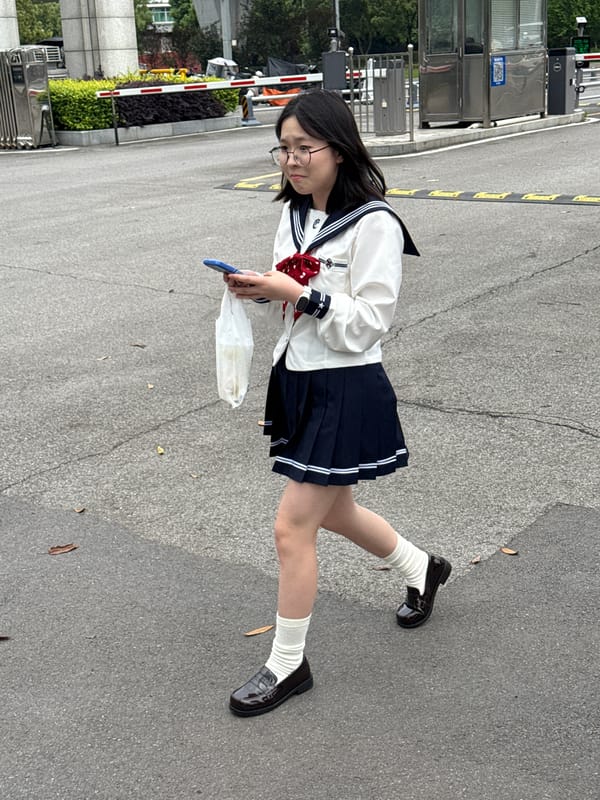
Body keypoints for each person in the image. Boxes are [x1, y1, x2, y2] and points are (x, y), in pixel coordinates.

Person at [225, 90, 451, 717]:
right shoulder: (295, 214)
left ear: (340, 149)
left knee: (292, 526)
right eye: (283, 148)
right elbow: (291, 292)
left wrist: (303, 295)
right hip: (299, 377)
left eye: (305, 147)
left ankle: (287, 664)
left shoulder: (375, 223)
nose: (292, 161)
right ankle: (422, 567)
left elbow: (372, 321)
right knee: (336, 511)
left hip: (346, 385)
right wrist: (261, 289)